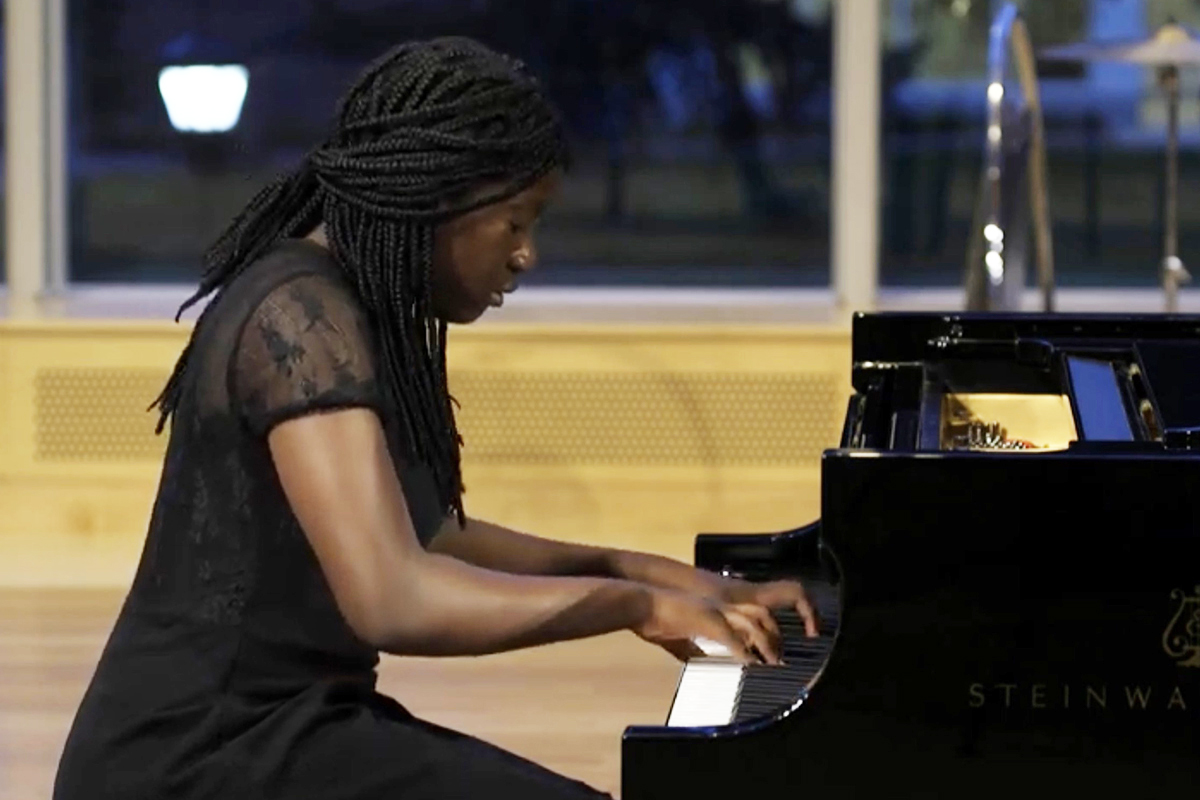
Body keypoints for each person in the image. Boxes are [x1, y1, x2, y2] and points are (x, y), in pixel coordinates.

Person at [52, 37, 818, 800]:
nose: (527, 256)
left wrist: (663, 577)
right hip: (195, 757)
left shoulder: (347, 302)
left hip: (279, 728)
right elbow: (392, 597)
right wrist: (634, 607)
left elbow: (431, 535)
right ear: (439, 199)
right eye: (516, 222)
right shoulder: (298, 314)